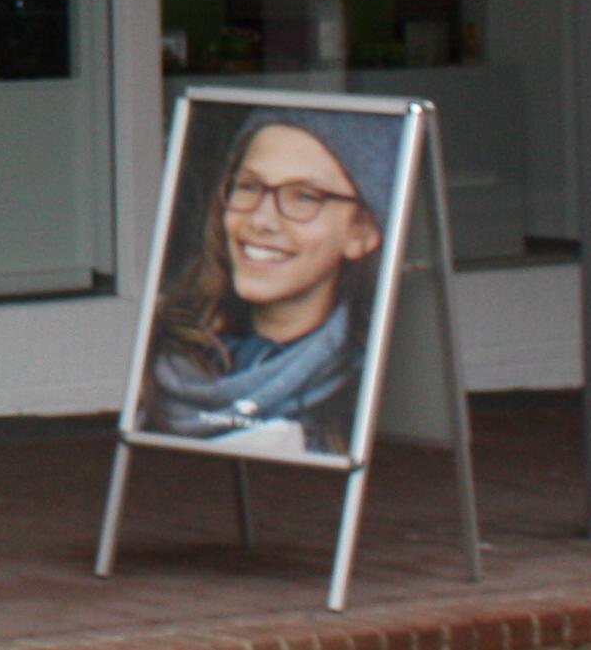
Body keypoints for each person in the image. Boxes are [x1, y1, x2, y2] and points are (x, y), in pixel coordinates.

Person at [146, 107, 402, 457]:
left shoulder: (376, 389)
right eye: (248, 186)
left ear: (363, 233)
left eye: (304, 196)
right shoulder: (164, 350)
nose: (261, 220)